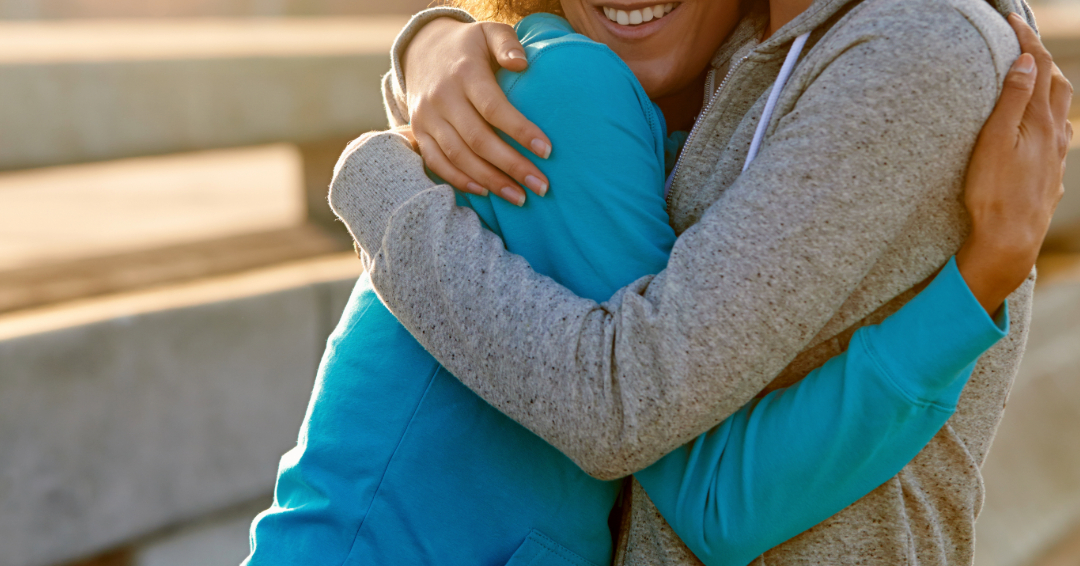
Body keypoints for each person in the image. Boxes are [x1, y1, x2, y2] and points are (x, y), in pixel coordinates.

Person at [327, 0, 1073, 564]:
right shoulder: (718, 54)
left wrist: (374, 184)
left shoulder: (904, 44)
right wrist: (423, 49)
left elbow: (638, 418)